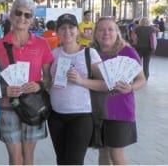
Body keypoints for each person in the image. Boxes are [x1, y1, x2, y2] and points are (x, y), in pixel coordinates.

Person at [0, 0, 54, 165]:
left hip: (33, 106)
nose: (22, 18)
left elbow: (48, 78)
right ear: (11, 16)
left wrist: (38, 85)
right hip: (8, 106)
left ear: (32, 19)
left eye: (27, 15)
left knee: (28, 157)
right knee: (15, 158)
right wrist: (4, 90)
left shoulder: (41, 44)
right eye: (18, 13)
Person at [47, 13, 106, 165]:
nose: (67, 31)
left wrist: (81, 80)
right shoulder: (53, 54)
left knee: (74, 162)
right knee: (61, 161)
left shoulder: (89, 53)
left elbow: (105, 84)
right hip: (56, 116)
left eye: (71, 27)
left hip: (81, 116)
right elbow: (47, 81)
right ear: (58, 32)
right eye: (63, 28)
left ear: (78, 30)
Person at [91, 17, 146, 165]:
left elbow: (142, 79)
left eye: (110, 29)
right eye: (101, 29)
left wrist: (131, 87)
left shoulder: (127, 51)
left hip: (120, 112)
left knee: (116, 155)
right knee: (103, 154)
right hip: (98, 111)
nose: (106, 33)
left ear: (117, 32)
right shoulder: (91, 53)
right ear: (95, 33)